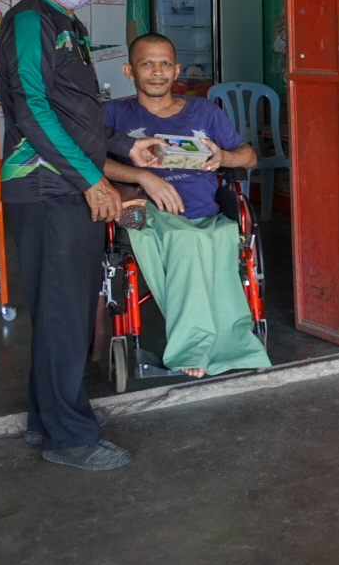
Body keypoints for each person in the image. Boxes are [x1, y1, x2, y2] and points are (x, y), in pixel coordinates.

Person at [0, 0, 162, 471]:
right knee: (66, 312)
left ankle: (49, 417)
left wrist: (124, 147)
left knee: (60, 310)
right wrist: (93, 180)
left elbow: (78, 113)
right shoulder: (28, 21)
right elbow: (33, 109)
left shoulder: (69, 24)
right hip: (49, 188)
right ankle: (70, 438)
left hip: (65, 183)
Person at [103, 33, 271, 378]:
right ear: (128, 70)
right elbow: (89, 162)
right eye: (146, 63)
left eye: (165, 63)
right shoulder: (112, 113)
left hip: (202, 214)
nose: (157, 71)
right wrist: (143, 176)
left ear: (176, 69)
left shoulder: (204, 111)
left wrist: (223, 156)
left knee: (223, 236)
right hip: (136, 211)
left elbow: (248, 155)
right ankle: (191, 348)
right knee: (187, 241)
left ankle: (232, 342)